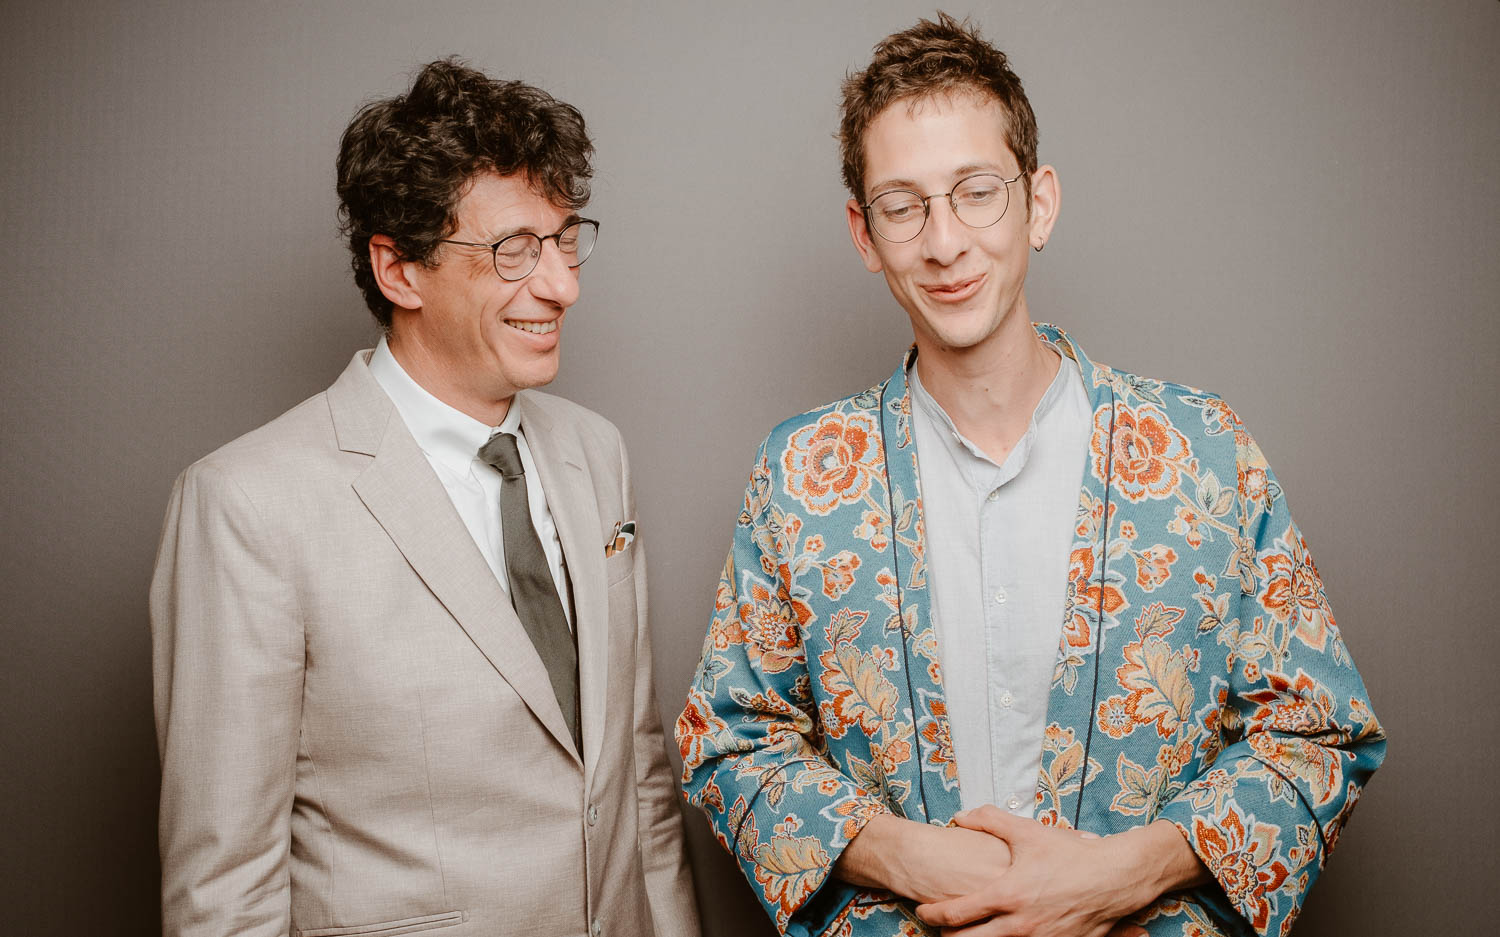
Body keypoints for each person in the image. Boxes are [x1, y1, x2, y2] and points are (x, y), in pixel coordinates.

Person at [677, 15, 1383, 937]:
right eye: (903, 204)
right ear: (864, 232)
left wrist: (1120, 875)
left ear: (1038, 203)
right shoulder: (801, 474)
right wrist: (905, 851)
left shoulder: (1205, 452)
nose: (943, 241)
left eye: (976, 192)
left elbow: (1319, 735)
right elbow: (729, 740)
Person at [151, 58, 699, 937]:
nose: (561, 283)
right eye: (514, 250)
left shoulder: (598, 453)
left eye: (564, 240)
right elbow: (225, 890)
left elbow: (635, 778)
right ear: (400, 269)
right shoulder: (247, 506)